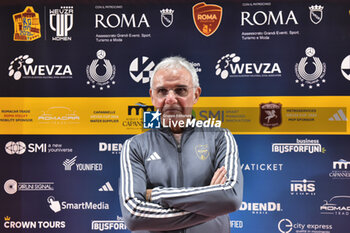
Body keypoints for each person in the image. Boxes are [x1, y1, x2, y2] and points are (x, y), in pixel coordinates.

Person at [119, 56, 243, 233]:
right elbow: (134, 216)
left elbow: (231, 198)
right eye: (162, 91)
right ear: (152, 97)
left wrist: (155, 195)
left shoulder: (220, 137)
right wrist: (211, 206)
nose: (170, 99)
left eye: (180, 90)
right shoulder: (134, 146)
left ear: (196, 94)